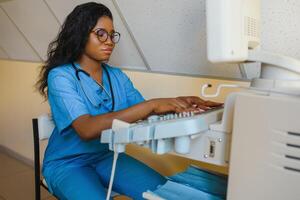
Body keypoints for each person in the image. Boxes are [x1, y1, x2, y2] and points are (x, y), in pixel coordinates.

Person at [36, 2, 222, 200]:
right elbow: (86, 129)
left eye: (112, 34)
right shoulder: (61, 76)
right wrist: (152, 104)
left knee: (163, 193)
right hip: (67, 164)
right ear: (80, 34)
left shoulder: (116, 76)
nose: (109, 41)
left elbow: (143, 112)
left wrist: (180, 104)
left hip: (105, 157)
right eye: (100, 33)